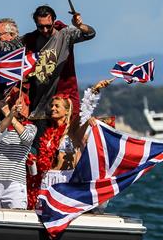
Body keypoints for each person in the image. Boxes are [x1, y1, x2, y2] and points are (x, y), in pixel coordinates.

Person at [26, 79, 112, 210]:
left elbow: (84, 112)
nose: (53, 108)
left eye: (57, 106)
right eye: (52, 105)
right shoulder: (49, 132)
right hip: (46, 179)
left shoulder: (72, 131)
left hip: (65, 179)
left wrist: (95, 89)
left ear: (66, 111)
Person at [22, 5, 95, 119]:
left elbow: (90, 34)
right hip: (38, 104)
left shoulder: (65, 34)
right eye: (41, 27)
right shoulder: (31, 39)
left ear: (54, 20)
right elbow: (11, 46)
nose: (45, 30)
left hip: (61, 101)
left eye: (48, 26)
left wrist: (80, 26)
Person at [0, 95, 37, 209]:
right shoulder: (0, 126)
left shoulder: (30, 127)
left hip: (14, 184)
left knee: (17, 220)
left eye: (22, 104)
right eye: (16, 103)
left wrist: (9, 113)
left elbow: (27, 138)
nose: (18, 106)